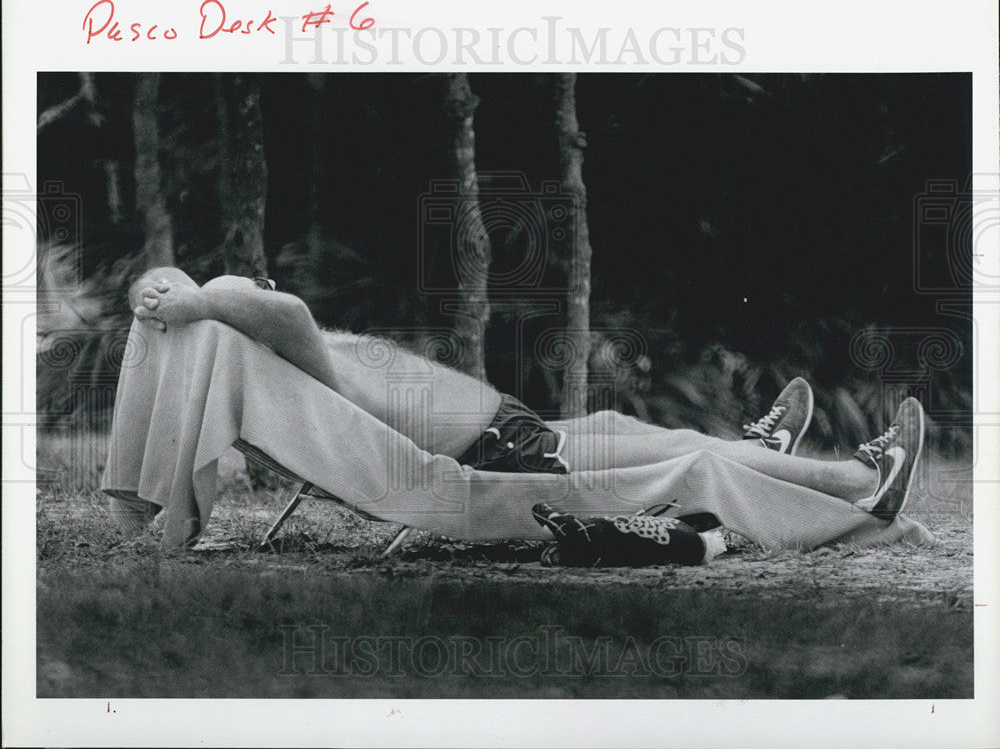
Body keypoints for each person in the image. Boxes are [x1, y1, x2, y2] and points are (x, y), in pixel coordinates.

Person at [104, 267, 929, 563]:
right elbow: (280, 315)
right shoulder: (292, 354)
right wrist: (208, 295)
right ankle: (857, 484)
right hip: (503, 459)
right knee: (687, 464)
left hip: (512, 430)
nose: (260, 284)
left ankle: (762, 451)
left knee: (669, 439)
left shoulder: (277, 353)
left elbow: (243, 308)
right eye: (242, 286)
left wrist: (175, 289)